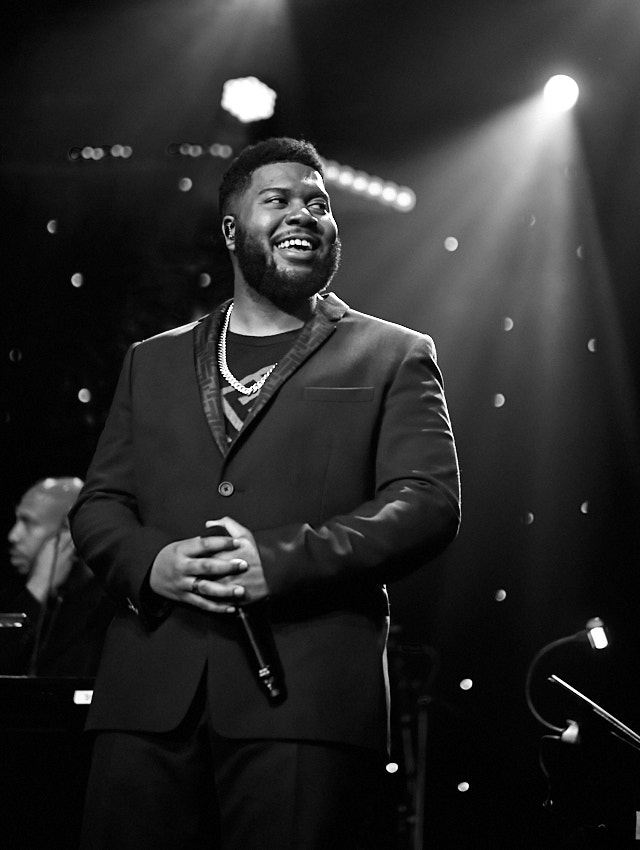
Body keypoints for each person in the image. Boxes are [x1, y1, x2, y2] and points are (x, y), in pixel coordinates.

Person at [69, 137, 461, 849]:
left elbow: (428, 502)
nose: (303, 214)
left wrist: (278, 562)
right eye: (277, 200)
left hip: (305, 705)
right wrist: (152, 564)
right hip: (146, 704)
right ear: (231, 231)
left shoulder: (394, 353)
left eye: (318, 203)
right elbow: (98, 506)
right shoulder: (150, 360)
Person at [1, 477, 115, 676]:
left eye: (27, 522)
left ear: (68, 532)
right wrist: (37, 589)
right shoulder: (15, 594)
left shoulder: (109, 613)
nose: (13, 535)